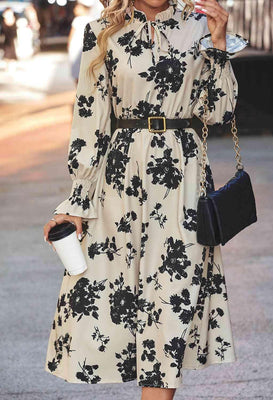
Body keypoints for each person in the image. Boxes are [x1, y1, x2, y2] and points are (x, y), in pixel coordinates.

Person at [43, 0, 248, 398]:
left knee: (171, 299)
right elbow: (90, 119)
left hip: (182, 181)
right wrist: (76, 200)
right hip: (119, 182)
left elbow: (220, 112)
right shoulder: (102, 31)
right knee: (108, 299)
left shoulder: (199, 25)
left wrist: (219, 44)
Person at [67, 0, 98, 85]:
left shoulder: (77, 20)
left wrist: (69, 46)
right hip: (86, 50)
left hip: (76, 49)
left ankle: (78, 91)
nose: (75, 9)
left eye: (77, 7)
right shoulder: (92, 20)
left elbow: (71, 35)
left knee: (76, 72)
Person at [1, 7, 18, 72]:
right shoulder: (3, 21)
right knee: (6, 53)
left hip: (11, 40)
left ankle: (12, 66)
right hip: (6, 40)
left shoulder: (13, 19)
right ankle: (7, 66)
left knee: (12, 52)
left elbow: (14, 31)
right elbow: (2, 31)